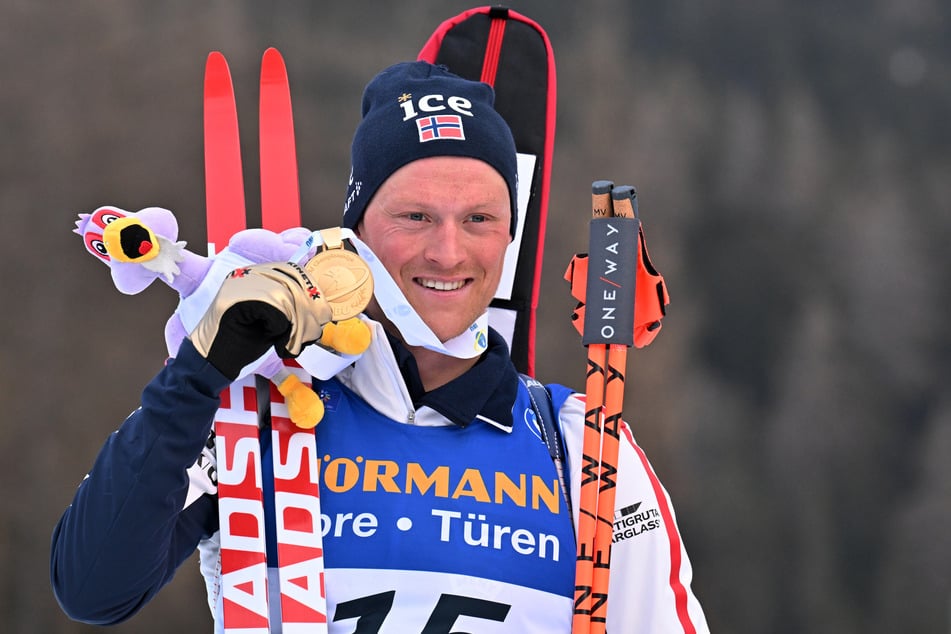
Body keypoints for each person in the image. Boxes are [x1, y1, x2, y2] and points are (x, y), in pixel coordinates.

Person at [51, 61, 708, 633]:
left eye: (478, 219)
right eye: (414, 216)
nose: (448, 252)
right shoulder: (254, 417)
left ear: (508, 238)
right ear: (356, 231)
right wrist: (200, 372)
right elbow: (93, 587)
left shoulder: (582, 448)